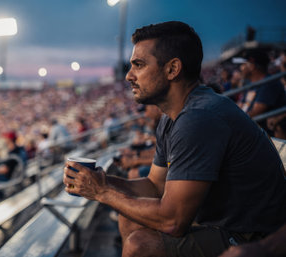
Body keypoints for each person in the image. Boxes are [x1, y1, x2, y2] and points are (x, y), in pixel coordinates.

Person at [63, 21, 286, 257]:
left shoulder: (199, 117)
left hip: (253, 235)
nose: (129, 76)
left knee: (140, 246)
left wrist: (102, 192)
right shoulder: (173, 116)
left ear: (172, 69)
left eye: (139, 65)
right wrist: (103, 181)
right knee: (130, 218)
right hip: (222, 221)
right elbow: (154, 186)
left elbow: (173, 221)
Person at [237, 48, 286, 134]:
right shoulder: (251, 85)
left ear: (252, 66)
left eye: (243, 64)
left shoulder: (269, 83)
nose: (240, 68)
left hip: (267, 139)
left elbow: (254, 113)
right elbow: (239, 107)